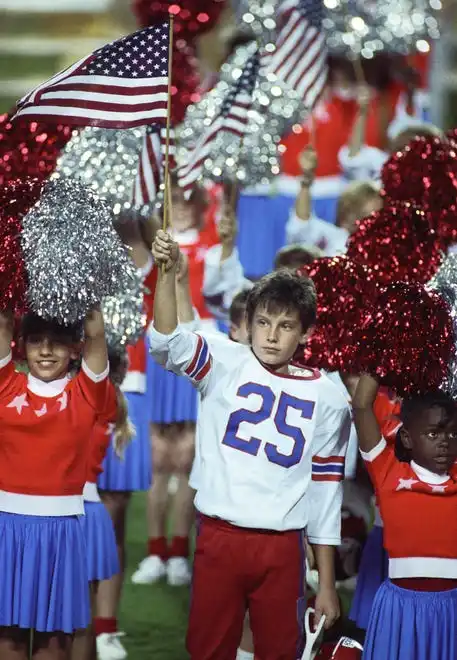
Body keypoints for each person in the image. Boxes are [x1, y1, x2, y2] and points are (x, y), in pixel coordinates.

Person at [149, 229, 351, 660]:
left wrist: (328, 584)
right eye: (263, 321)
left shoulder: (330, 398)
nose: (272, 335)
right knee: (208, 649)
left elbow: (326, 492)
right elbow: (166, 343)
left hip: (283, 546)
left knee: (279, 651)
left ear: (307, 333)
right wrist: (166, 275)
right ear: (250, 321)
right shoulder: (224, 361)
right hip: (221, 535)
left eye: (285, 325)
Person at [0, 308, 116, 660]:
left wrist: (85, 280)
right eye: (36, 341)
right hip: (7, 527)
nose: (46, 351)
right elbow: (3, 321)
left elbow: (97, 335)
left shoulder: (87, 391)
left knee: (56, 642)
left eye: (57, 342)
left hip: (62, 533)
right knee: (9, 638)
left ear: (74, 348)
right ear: (21, 347)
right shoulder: (6, 385)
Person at [134, 179, 220, 587]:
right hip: (165, 350)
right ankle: (154, 551)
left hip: (199, 349)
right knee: (159, 459)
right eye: (177, 202)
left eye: (190, 201)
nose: (184, 208)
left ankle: (178, 553)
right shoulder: (157, 248)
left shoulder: (213, 243)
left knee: (187, 458)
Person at [352, 374, 457, 660]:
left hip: (452, 606)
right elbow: (362, 406)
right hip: (400, 607)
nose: (445, 442)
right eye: (433, 434)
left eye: (452, 434)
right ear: (408, 438)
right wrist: (387, 351)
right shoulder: (388, 472)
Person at [96, 215, 157, 660]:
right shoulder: (83, 258)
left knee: (113, 515)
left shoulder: (148, 264)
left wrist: (141, 213)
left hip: (128, 392)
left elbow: (155, 262)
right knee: (74, 515)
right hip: (79, 391)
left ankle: (105, 626)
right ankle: (74, 620)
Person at [73, 349, 134, 660]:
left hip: (77, 513)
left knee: (75, 621)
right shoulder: (108, 400)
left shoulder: (98, 400)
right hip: (82, 511)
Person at [285, 146, 382, 256]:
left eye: (377, 215)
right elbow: (302, 225)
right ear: (346, 213)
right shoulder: (333, 239)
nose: (369, 222)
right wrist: (306, 180)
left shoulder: (387, 248)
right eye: (363, 214)